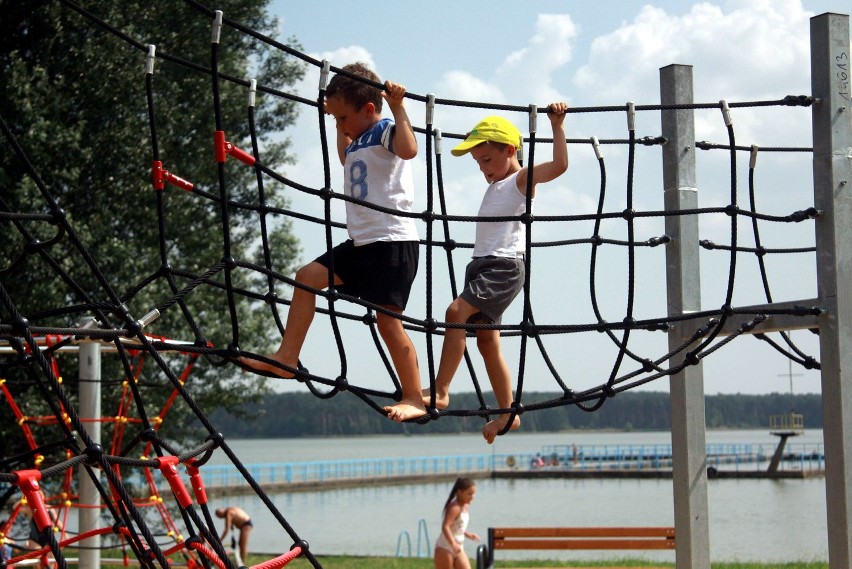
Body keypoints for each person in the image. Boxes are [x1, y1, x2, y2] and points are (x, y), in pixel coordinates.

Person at [239, 62, 425, 420]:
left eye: (343, 118)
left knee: (388, 323)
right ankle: (287, 358)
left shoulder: (386, 130)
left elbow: (409, 149)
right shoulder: (358, 142)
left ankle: (414, 396)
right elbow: (344, 155)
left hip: (391, 244)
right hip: (360, 245)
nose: (340, 125)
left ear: (369, 110)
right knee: (306, 276)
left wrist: (399, 107)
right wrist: (336, 120)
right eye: (336, 119)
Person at [393, 103, 569, 442]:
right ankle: (508, 412)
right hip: (482, 265)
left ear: (509, 150)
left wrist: (557, 127)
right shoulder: (497, 185)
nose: (483, 169)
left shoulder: (520, 179)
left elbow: (560, 165)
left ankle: (441, 390)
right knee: (487, 342)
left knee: (455, 312)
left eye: (487, 160)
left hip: (503, 266)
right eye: (478, 164)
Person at [434, 477, 480, 569]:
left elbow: (457, 527)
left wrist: (467, 534)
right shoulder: (455, 507)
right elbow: (446, 527)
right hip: (445, 547)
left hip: (458, 547)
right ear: (459, 492)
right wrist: (453, 543)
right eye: (469, 494)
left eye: (473, 493)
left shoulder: (465, 506)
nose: (472, 497)